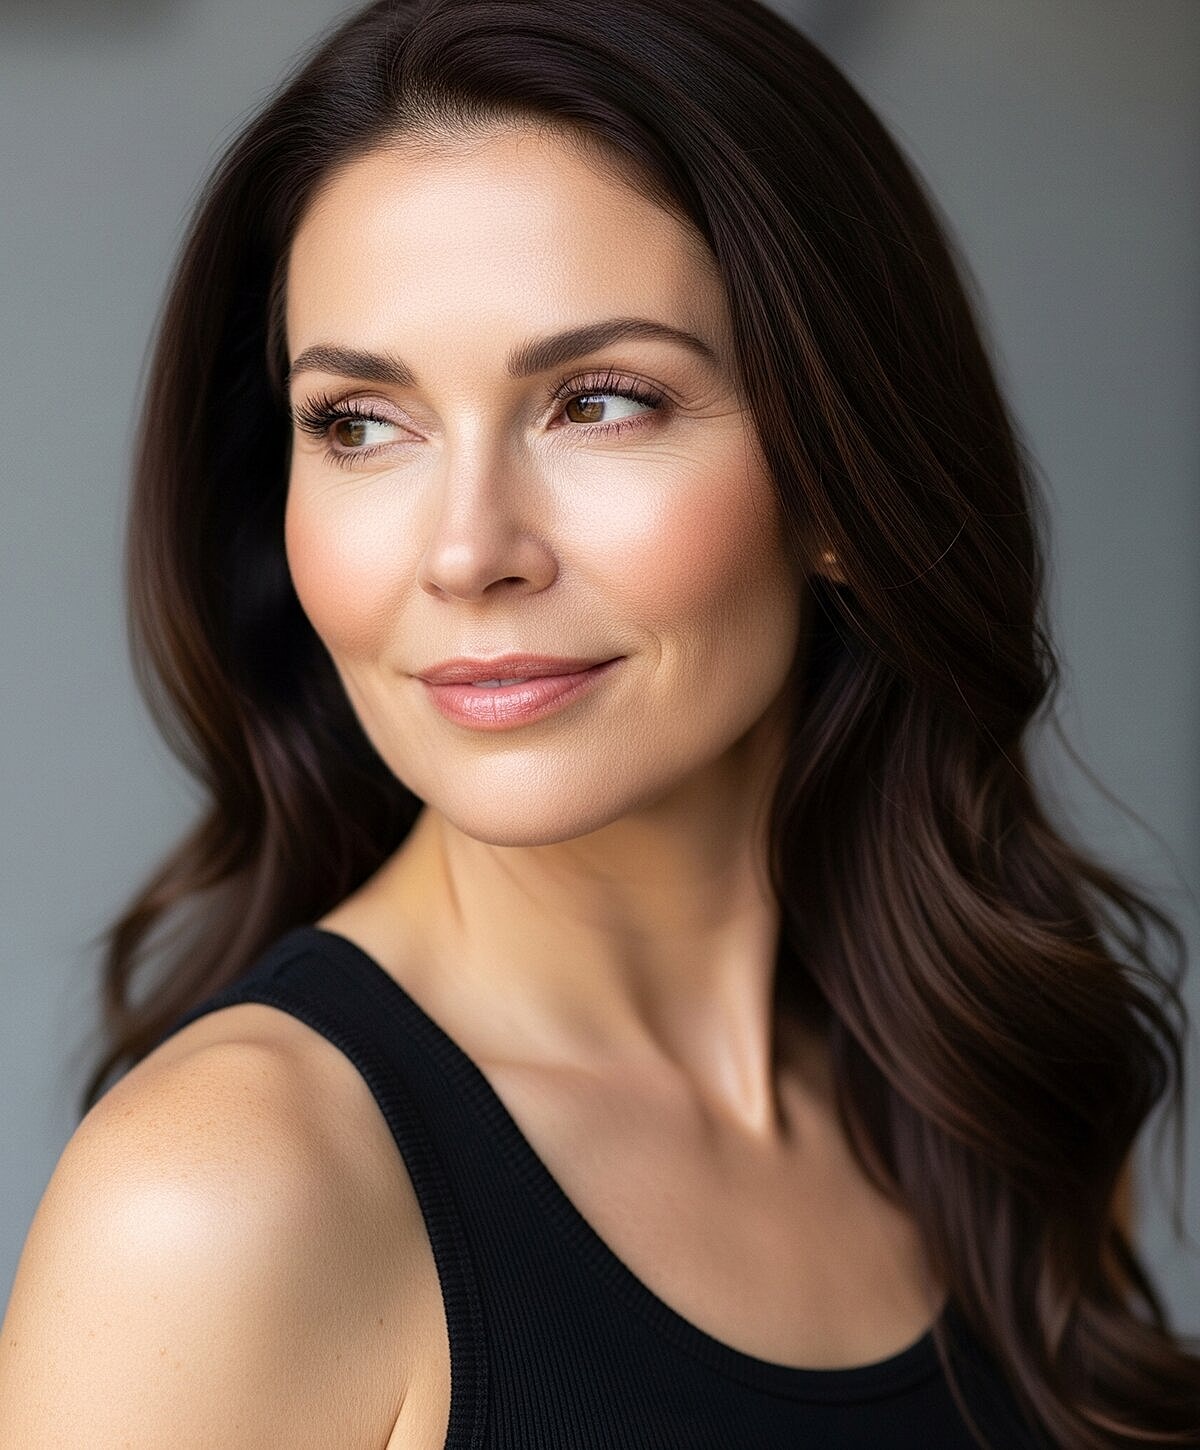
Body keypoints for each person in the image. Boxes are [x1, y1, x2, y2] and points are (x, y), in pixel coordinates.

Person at [1, 0, 1196, 1444]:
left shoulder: (996, 1088)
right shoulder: (220, 1205)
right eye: (361, 422)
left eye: (601, 401)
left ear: (838, 475)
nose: (465, 551)